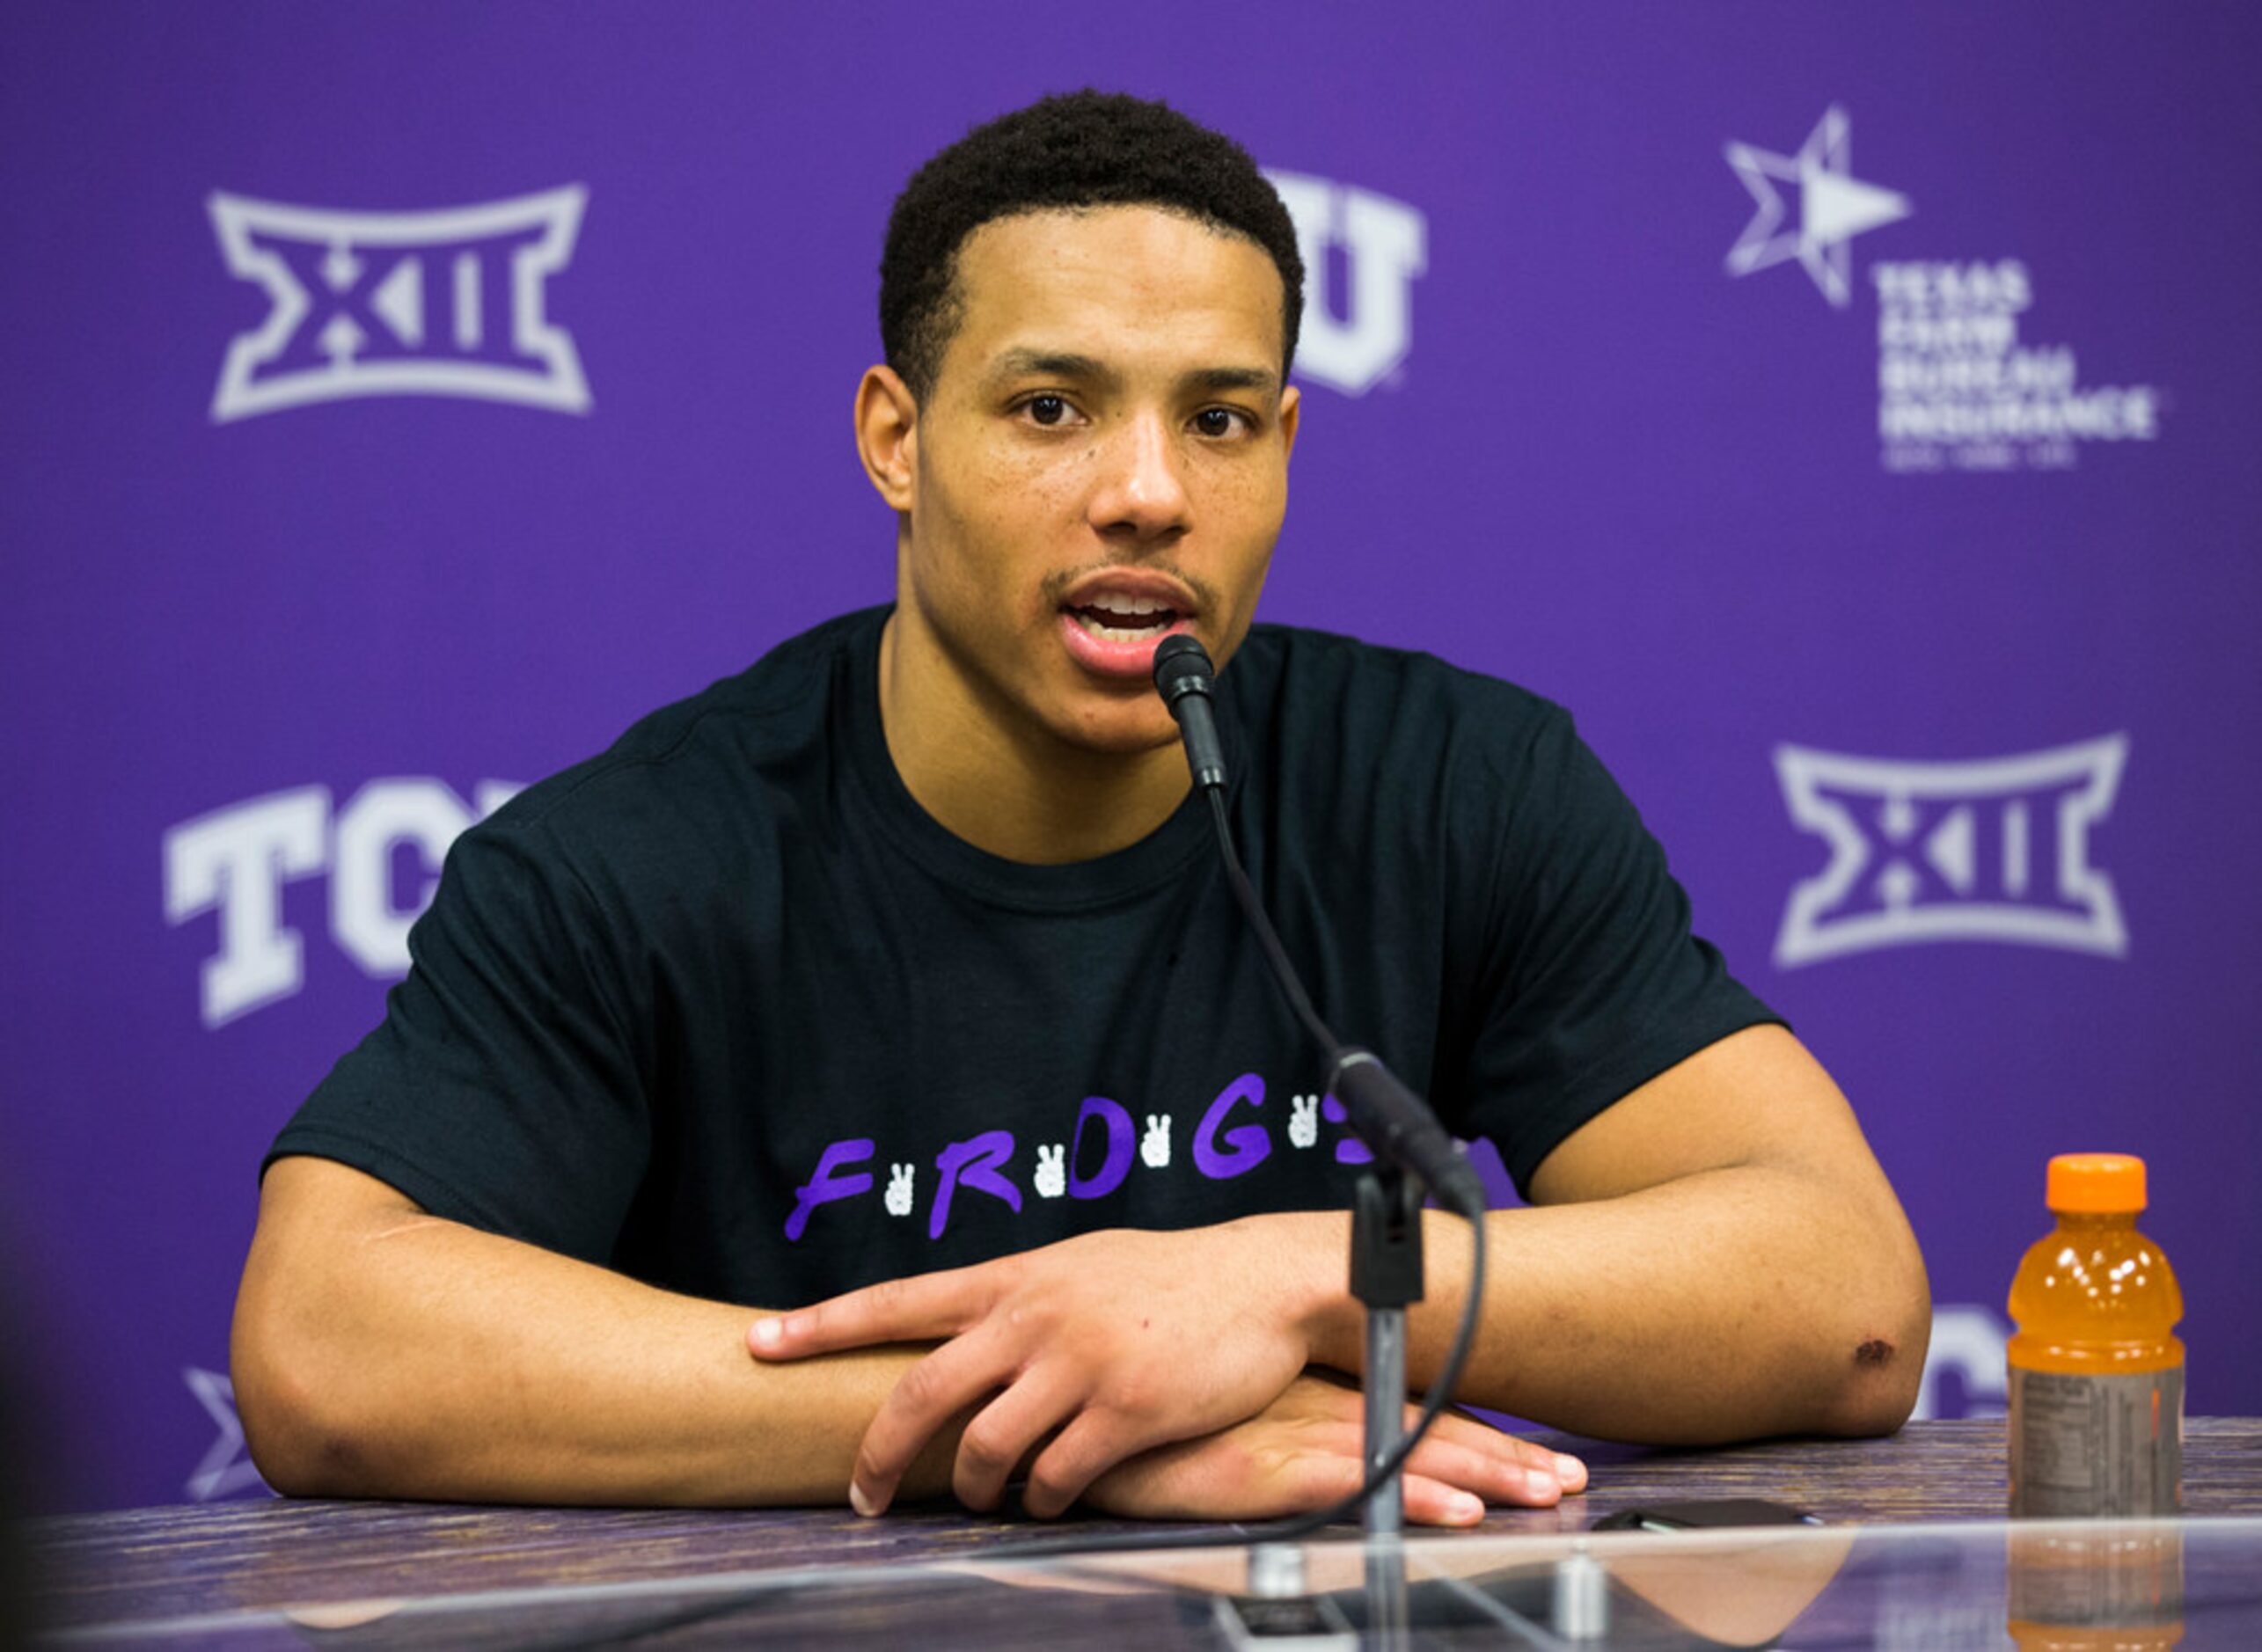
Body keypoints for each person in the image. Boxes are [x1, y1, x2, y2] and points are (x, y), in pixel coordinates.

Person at [232, 91, 1929, 1526]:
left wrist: (1278, 1281)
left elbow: (1842, 1300)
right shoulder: (641, 856)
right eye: (1052, 409)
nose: (1147, 492)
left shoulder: (1451, 782)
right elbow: (327, 1343)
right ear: (895, 439)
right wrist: (1062, 1424)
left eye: (1221, 419)